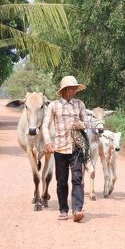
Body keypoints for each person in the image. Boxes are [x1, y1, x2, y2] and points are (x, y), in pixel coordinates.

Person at [44, 76, 90, 222]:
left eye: (75, 89)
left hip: (76, 147)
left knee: (77, 178)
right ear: (63, 90)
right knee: (61, 181)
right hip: (59, 148)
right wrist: (48, 142)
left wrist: (80, 125)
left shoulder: (80, 104)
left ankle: (77, 209)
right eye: (70, 89)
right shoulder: (54, 106)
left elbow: (87, 123)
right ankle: (63, 210)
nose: (73, 91)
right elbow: (45, 125)